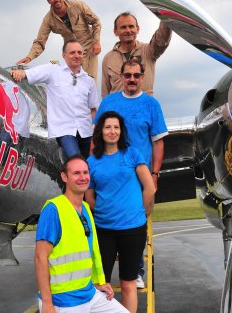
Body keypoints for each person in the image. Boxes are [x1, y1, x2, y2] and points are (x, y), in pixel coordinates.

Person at [95, 60, 169, 288]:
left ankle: (135, 270)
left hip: (139, 174)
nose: (132, 80)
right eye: (128, 75)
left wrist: (154, 173)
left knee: (138, 221)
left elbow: (158, 143)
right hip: (110, 173)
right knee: (105, 220)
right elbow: (97, 136)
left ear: (143, 77)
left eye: (136, 76)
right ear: (121, 76)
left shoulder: (151, 105)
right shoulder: (109, 102)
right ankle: (101, 275)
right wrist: (93, 166)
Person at [35, 155, 128, 313]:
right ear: (64, 177)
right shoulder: (54, 209)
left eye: (86, 172)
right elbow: (40, 257)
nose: (83, 177)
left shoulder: (85, 208)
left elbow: (86, 254)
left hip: (89, 293)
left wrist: (98, 283)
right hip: (64, 300)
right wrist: (47, 303)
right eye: (76, 173)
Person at [85, 111, 155, 313]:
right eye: (108, 127)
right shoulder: (91, 162)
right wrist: (106, 211)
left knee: (128, 284)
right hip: (103, 230)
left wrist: (143, 211)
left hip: (132, 229)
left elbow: (149, 187)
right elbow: (89, 197)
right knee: (101, 285)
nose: (112, 131)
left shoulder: (132, 153)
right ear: (101, 131)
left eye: (116, 127)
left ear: (121, 131)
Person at [11, 40, 99, 160]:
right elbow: (32, 73)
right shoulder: (53, 70)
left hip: (85, 131)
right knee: (76, 160)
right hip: (64, 131)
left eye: (80, 52)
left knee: (90, 164)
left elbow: (93, 108)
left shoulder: (89, 80)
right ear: (64, 56)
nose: (77, 55)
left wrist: (93, 129)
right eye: (72, 52)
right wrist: (21, 73)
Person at [101, 0, 183, 97]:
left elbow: (162, 37)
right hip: (118, 113)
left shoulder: (149, 51)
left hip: (143, 110)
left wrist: (172, 1)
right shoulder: (108, 58)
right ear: (115, 31)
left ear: (138, 29)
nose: (128, 30)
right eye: (123, 27)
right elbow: (105, 94)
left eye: (131, 26)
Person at [17, 0, 102, 80]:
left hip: (89, 48)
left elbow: (96, 22)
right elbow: (40, 41)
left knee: (89, 81)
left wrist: (96, 42)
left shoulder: (78, 5)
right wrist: (30, 57)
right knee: (73, 83)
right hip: (71, 53)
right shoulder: (48, 20)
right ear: (48, 1)